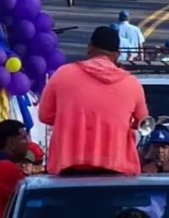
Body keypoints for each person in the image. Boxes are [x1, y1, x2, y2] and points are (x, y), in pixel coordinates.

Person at [38, 26, 148, 176]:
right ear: (117, 55)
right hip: (116, 167)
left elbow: (45, 115)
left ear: (89, 48)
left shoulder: (63, 74)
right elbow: (142, 122)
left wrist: (70, 119)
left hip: (69, 166)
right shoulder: (132, 83)